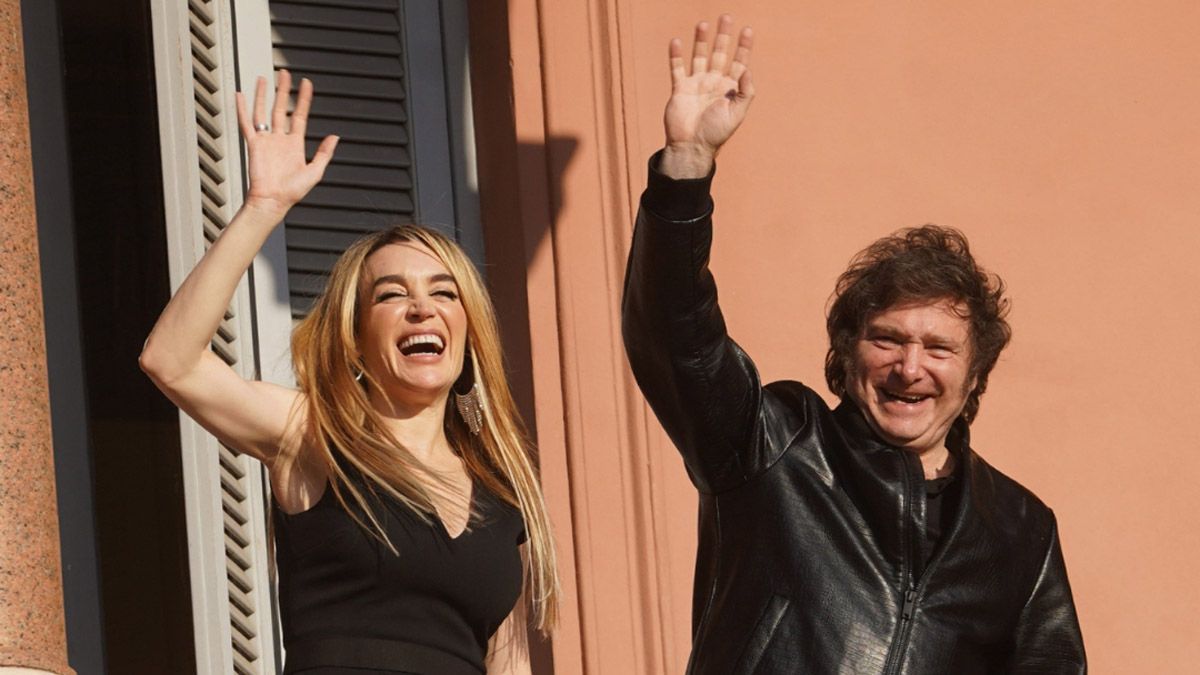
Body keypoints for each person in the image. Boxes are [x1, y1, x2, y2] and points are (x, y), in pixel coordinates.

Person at [622, 15, 1085, 673]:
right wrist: (686, 171)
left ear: (976, 371)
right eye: (887, 339)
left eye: (939, 347)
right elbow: (676, 333)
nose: (909, 367)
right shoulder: (777, 445)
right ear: (846, 353)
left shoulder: (1018, 529)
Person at [140, 71, 557, 675]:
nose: (422, 308)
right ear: (356, 340)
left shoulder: (501, 495)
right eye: (392, 295)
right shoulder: (312, 434)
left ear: (468, 331)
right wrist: (263, 208)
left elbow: (510, 664)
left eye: (444, 293)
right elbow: (171, 360)